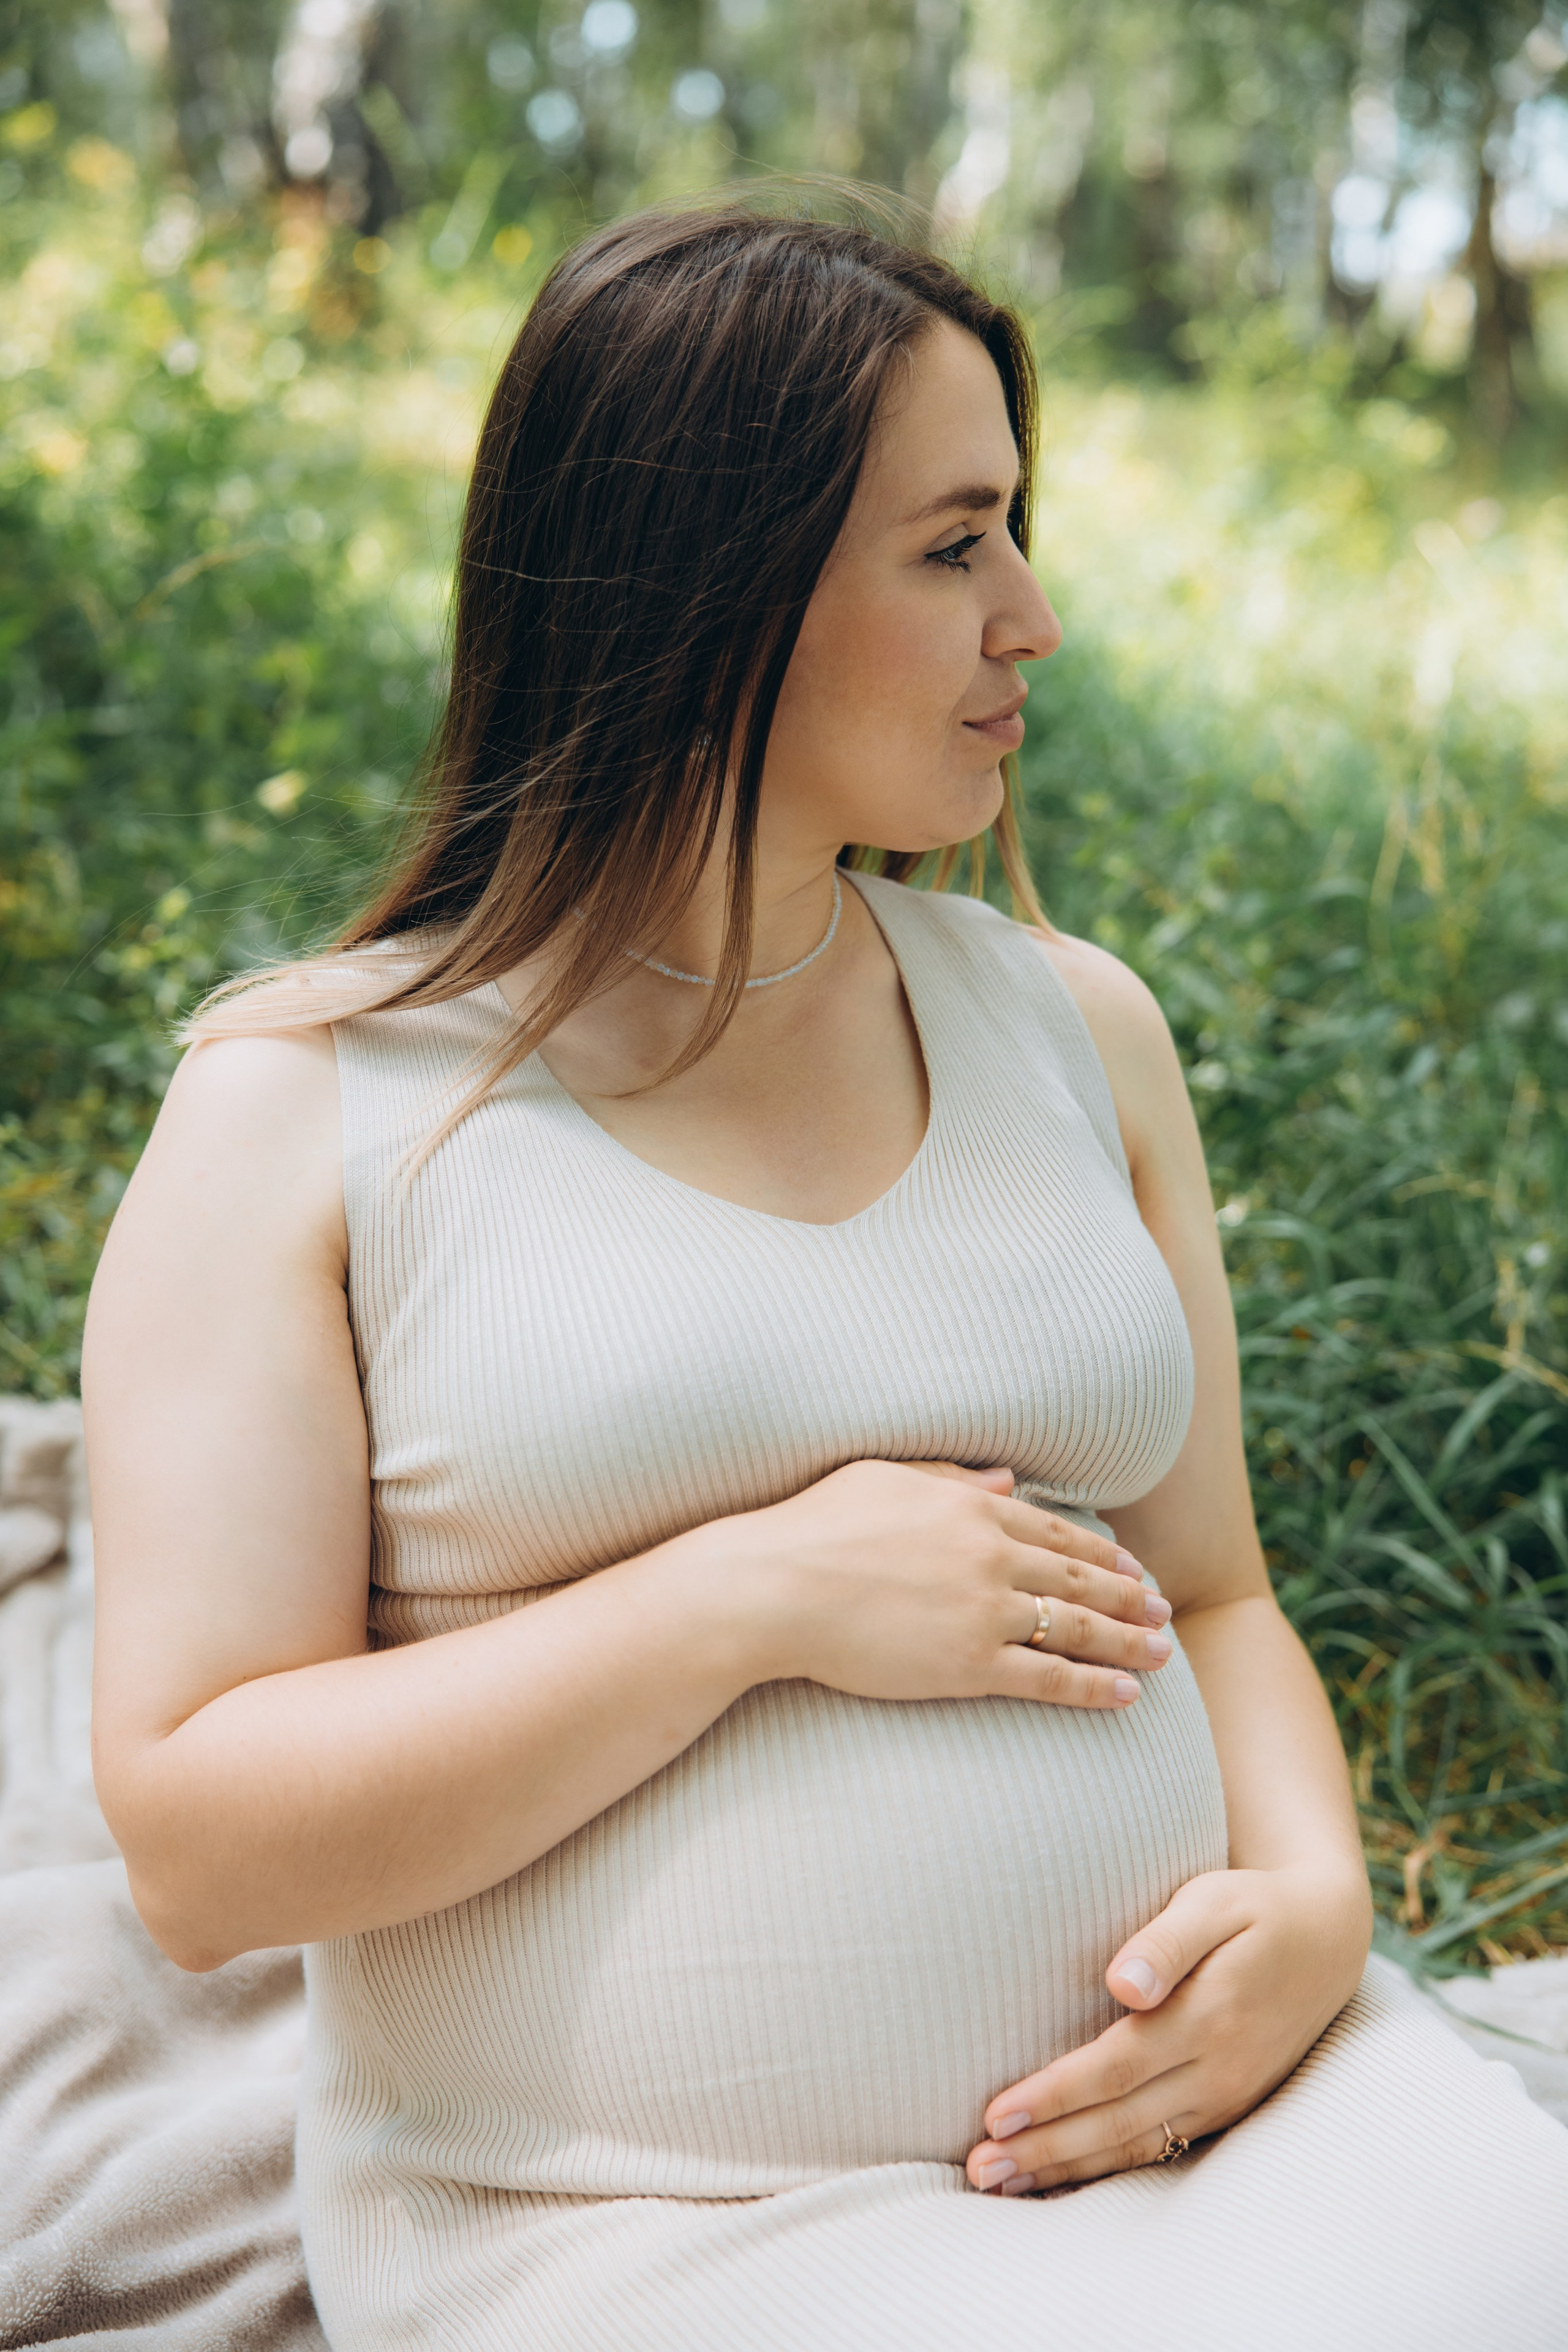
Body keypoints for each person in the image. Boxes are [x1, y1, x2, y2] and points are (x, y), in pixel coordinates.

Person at [85, 203, 1568, 2352]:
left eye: (1017, 534)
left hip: (1219, 2129)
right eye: (955, 545)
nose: (1036, 620)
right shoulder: (307, 1111)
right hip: (640, 2224)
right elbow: (204, 1848)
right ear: (717, 578)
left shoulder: (1082, 1031)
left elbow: (1220, 1593)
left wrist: (1318, 1913)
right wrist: (743, 1599)